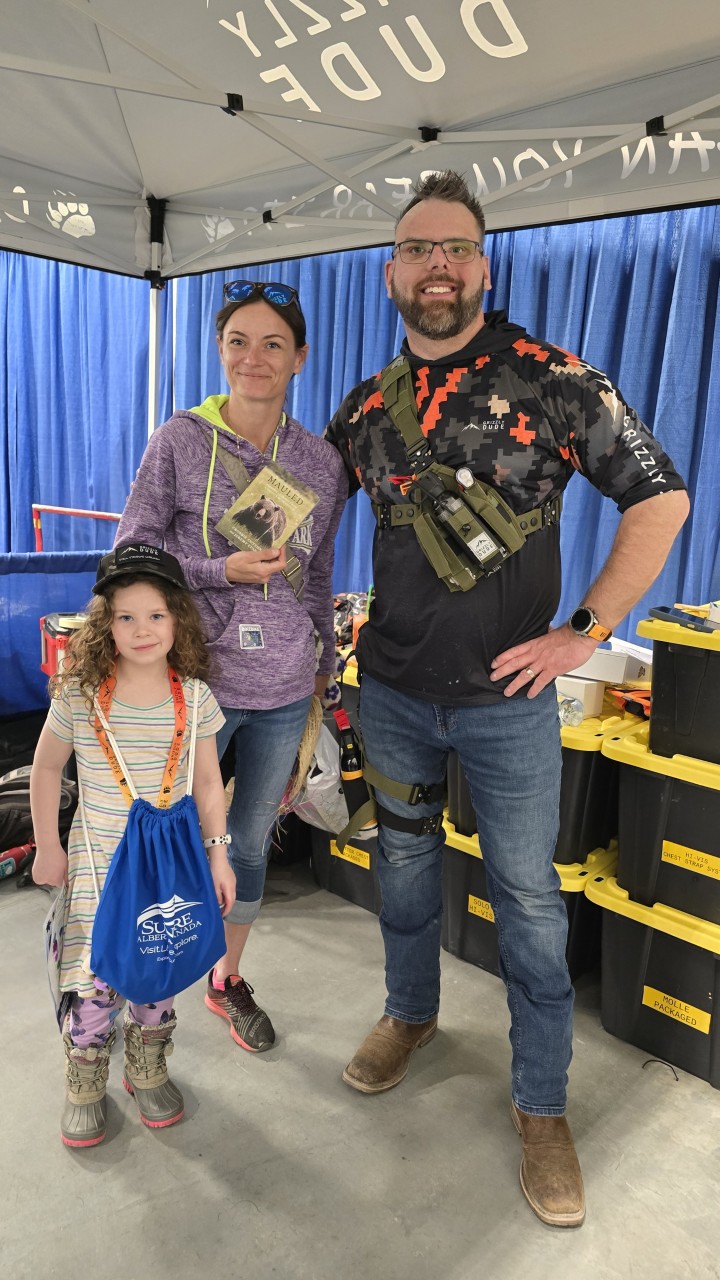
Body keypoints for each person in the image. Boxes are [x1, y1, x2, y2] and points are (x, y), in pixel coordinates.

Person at [325, 171, 689, 1228]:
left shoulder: (553, 378)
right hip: (392, 693)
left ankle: (541, 1106)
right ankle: (410, 1014)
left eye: (456, 248)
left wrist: (584, 632)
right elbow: (302, 518)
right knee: (402, 868)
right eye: (418, 249)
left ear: (483, 266)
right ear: (391, 272)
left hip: (508, 705)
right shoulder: (365, 407)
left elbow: (662, 500)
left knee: (528, 902)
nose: (437, 265)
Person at [116, 280, 347, 1054]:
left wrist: (323, 666)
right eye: (239, 341)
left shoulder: (319, 463)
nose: (255, 357)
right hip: (195, 685)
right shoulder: (180, 441)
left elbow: (317, 576)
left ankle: (225, 978)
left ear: (299, 358)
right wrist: (222, 571)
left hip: (284, 689)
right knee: (166, 840)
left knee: (247, 845)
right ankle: (145, 991)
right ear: (220, 350)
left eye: (273, 344)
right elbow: (131, 554)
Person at [30, 543, 235, 1147]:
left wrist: (219, 854)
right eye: (126, 616)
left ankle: (147, 1064)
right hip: (98, 867)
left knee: (158, 963)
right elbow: (45, 769)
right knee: (94, 977)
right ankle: (86, 1075)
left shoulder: (194, 698)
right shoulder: (78, 695)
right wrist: (47, 846)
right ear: (106, 624)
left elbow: (208, 784)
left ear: (178, 620)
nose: (142, 630)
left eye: (156, 615)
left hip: (168, 870)